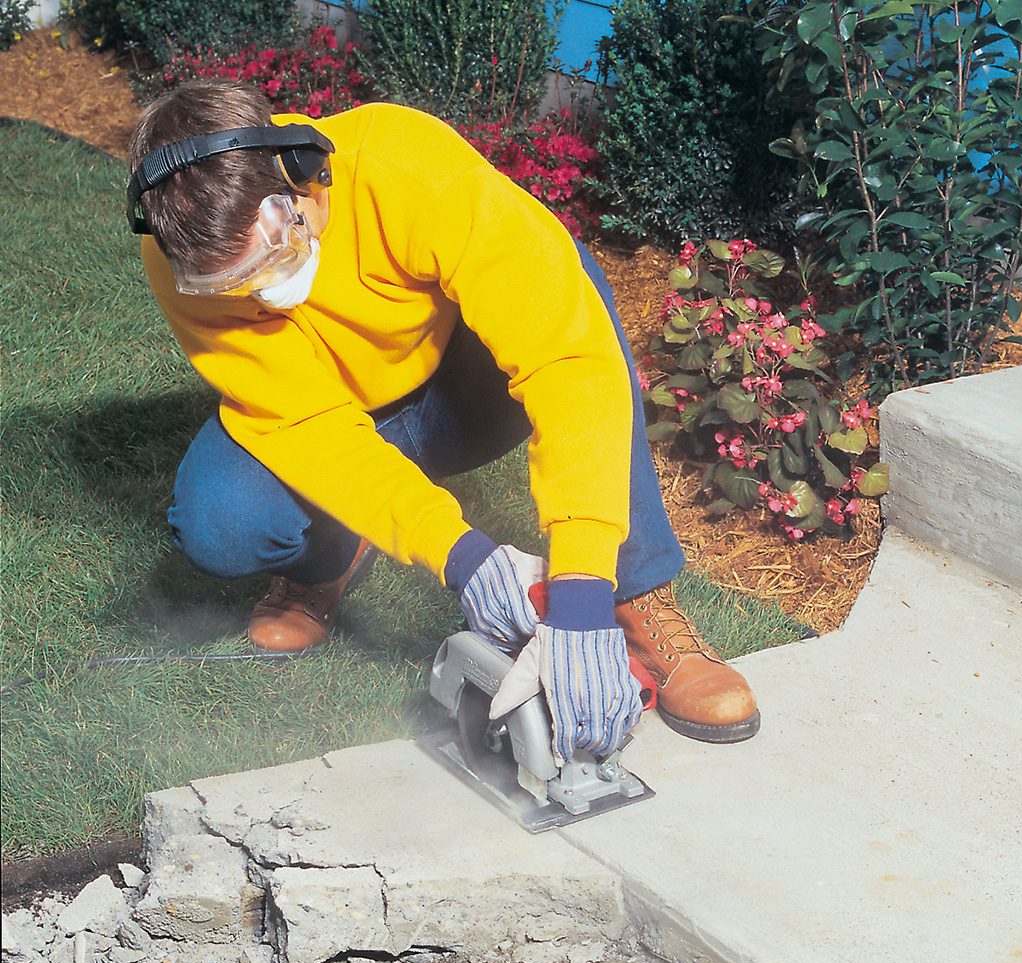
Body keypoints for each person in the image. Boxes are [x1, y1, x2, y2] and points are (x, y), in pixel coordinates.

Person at [127, 79, 759, 765]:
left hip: (469, 386)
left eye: (277, 255)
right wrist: (460, 555)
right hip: (346, 406)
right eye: (236, 283)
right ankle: (330, 555)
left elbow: (566, 362)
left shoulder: (403, 164)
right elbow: (300, 423)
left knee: (567, 289)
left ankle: (635, 595)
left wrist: (579, 589)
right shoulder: (180, 249)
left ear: (303, 173)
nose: (267, 292)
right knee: (221, 521)